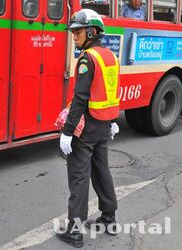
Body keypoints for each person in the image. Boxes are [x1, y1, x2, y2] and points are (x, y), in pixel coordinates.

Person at [56, 9, 120, 248]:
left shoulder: (87, 58)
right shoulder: (110, 56)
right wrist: (113, 120)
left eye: (78, 32)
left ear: (91, 32)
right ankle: (109, 218)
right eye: (73, 32)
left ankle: (74, 231)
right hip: (104, 124)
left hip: (87, 127)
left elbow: (80, 98)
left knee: (79, 177)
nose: (74, 36)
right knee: (102, 171)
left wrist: (67, 132)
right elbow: (111, 91)